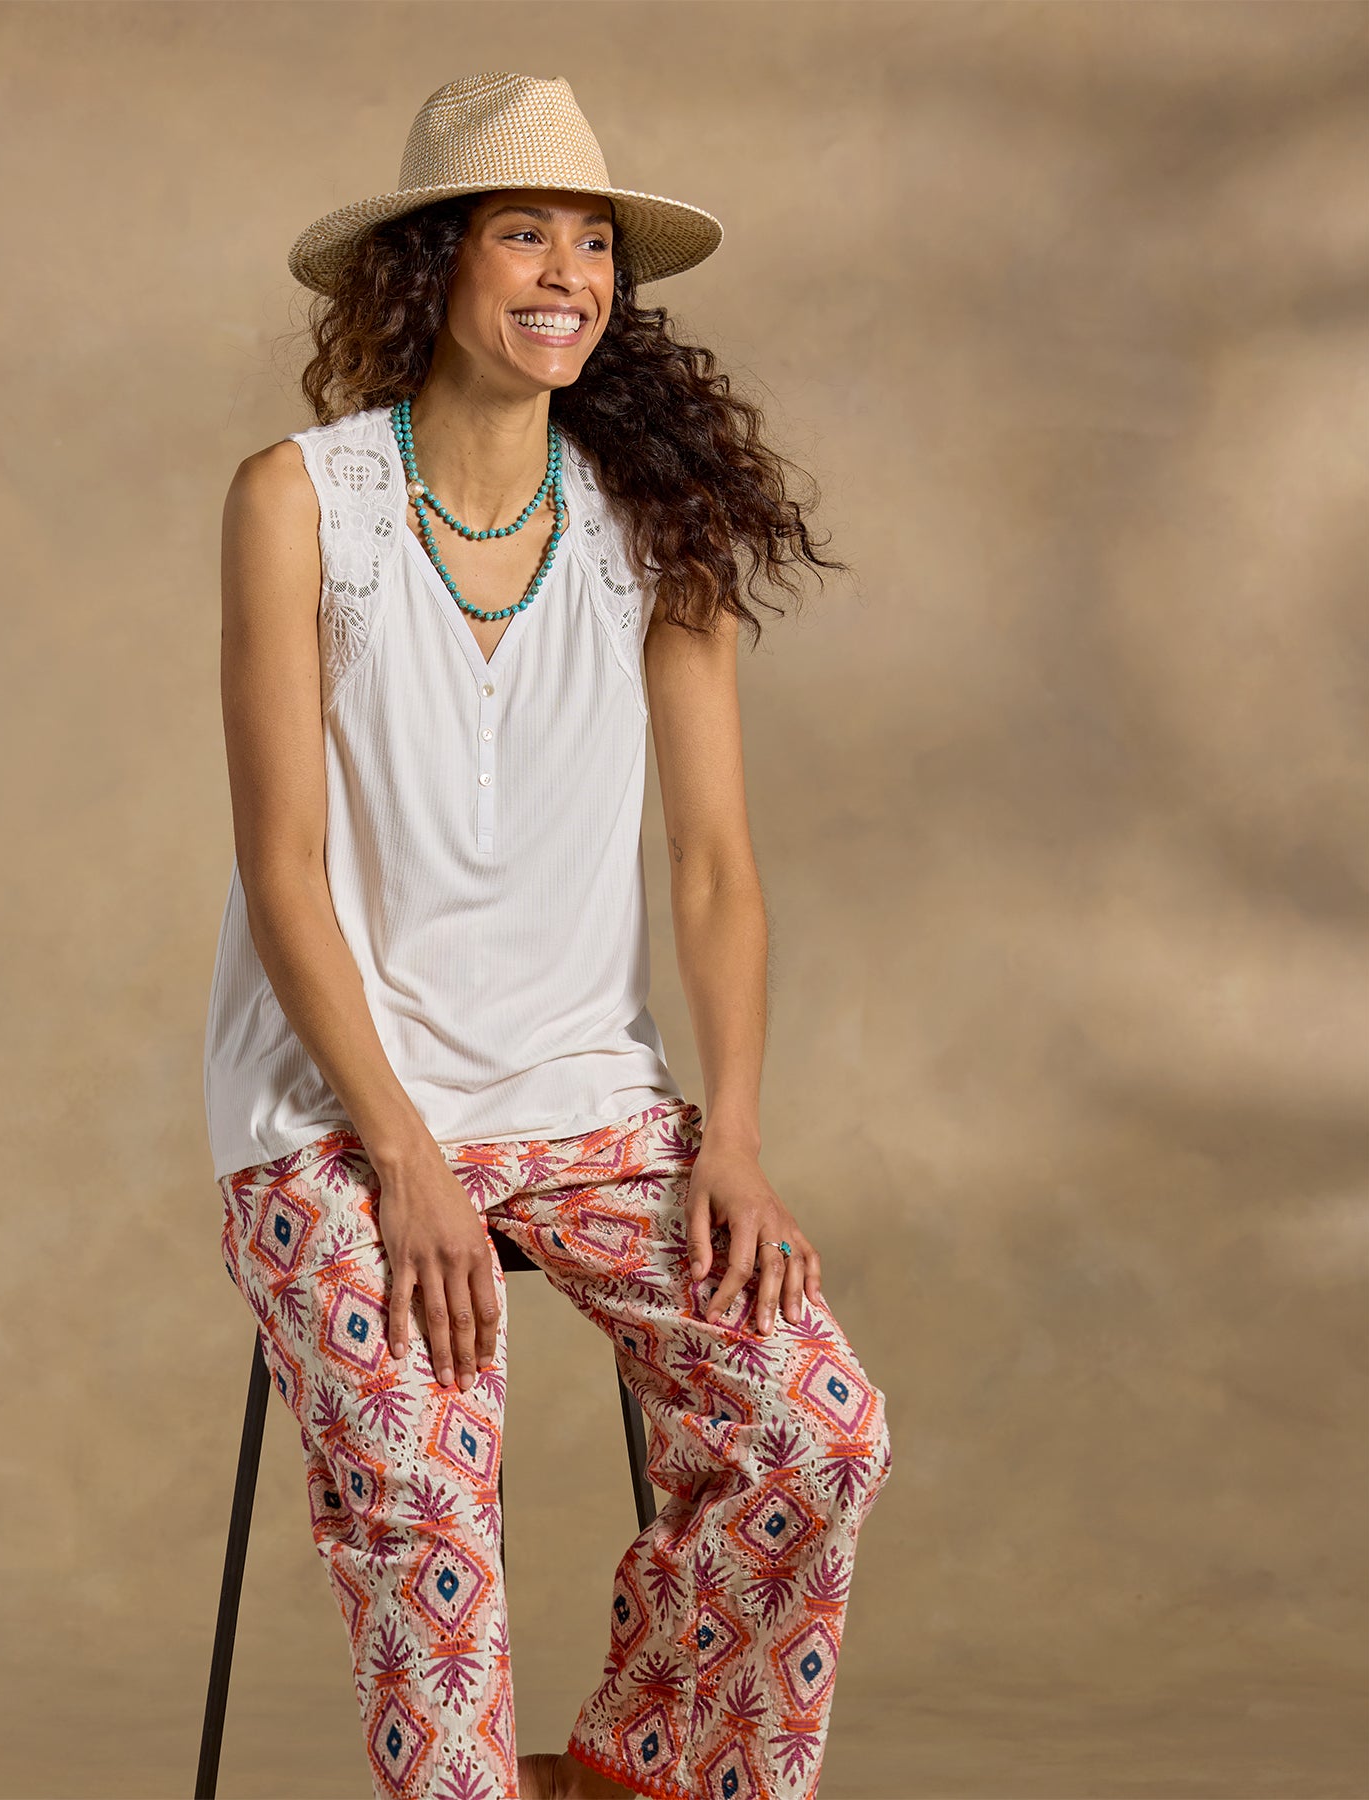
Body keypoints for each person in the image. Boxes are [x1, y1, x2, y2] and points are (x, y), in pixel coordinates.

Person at [204, 71, 893, 1800]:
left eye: (595, 246)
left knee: (814, 1433)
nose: (570, 275)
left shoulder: (654, 521)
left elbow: (715, 867)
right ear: (432, 263)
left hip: (588, 1096)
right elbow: (284, 867)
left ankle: (629, 1771)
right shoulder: (300, 499)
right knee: (425, 1494)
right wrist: (403, 1155)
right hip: (336, 1111)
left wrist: (733, 1138)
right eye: (527, 234)